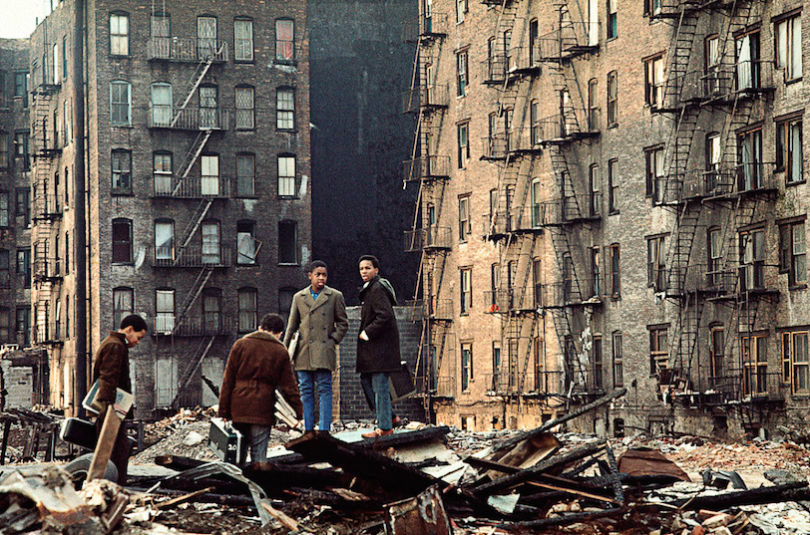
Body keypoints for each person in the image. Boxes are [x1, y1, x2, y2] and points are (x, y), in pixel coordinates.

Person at [219, 313, 302, 464]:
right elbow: (290, 387)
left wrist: (223, 410)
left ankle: (237, 485)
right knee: (259, 460)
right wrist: (300, 412)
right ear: (280, 334)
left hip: (239, 408)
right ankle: (256, 486)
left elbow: (228, 380)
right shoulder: (280, 351)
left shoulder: (240, 344)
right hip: (263, 410)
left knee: (237, 458)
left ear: (260, 328)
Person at [284, 260, 348, 435]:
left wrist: (332, 341)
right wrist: (284, 349)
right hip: (303, 351)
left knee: (325, 388)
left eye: (324, 275)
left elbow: (343, 323)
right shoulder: (299, 297)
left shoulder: (335, 296)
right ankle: (308, 429)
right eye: (318, 274)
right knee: (305, 389)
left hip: (324, 351)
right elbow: (291, 325)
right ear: (310, 276)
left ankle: (325, 430)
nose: (321, 278)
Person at [92, 313, 148, 485]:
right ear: (129, 330)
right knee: (116, 452)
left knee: (118, 451)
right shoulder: (115, 346)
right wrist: (110, 411)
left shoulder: (114, 344)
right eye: (138, 338)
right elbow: (108, 378)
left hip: (113, 409)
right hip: (111, 411)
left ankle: (113, 486)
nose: (137, 342)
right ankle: (114, 487)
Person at [356, 255, 401, 438]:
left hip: (380, 349)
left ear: (376, 270)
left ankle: (385, 427)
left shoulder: (377, 289)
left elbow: (385, 315)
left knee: (379, 385)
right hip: (376, 350)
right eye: (361, 269)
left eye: (368, 268)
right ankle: (390, 417)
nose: (364, 272)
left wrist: (368, 332)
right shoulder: (371, 289)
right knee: (366, 380)